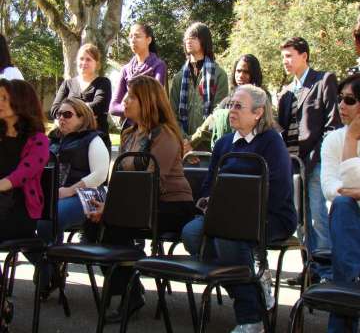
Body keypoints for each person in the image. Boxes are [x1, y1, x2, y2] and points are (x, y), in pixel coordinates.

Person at [182, 84, 297, 333]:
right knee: (192, 234)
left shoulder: (271, 143)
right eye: (230, 105)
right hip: (224, 217)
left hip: (271, 217)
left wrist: (241, 210)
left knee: (229, 236)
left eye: (237, 106)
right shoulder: (224, 144)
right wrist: (206, 201)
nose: (231, 111)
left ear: (257, 113)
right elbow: (208, 185)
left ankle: (250, 319)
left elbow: (279, 192)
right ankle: (255, 289)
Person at [90, 75, 195, 323]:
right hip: (137, 205)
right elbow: (120, 179)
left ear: (147, 102)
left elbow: (150, 183)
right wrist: (104, 204)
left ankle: (132, 287)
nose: (124, 101)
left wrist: (112, 208)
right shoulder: (129, 134)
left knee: (112, 224)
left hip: (172, 205)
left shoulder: (166, 135)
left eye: (131, 97)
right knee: (94, 224)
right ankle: (131, 286)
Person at [277, 37, 341, 284]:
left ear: (304, 55)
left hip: (316, 162)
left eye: (290, 55)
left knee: (318, 218)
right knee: (300, 220)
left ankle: (327, 273)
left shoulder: (323, 80)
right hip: (293, 165)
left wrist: (317, 157)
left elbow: (332, 124)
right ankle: (310, 271)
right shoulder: (285, 92)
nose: (286, 61)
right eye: (283, 56)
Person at [36, 97, 109, 296]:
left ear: (82, 117)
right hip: (52, 196)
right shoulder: (52, 140)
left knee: (50, 217)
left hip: (86, 196)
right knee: (26, 222)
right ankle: (53, 268)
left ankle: (48, 272)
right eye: (58, 114)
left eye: (67, 114)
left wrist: (70, 190)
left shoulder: (93, 139)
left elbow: (100, 175)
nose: (61, 118)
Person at [0, 79, 49, 331]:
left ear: (21, 102)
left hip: (19, 212)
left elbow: (25, 172)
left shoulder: (38, 140)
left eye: (4, 98)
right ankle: (1, 304)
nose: (0, 103)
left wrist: (3, 184)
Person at [321, 74, 360, 333]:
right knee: (344, 205)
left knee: (343, 267)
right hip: (348, 223)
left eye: (350, 100)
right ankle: (355, 287)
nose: (341, 106)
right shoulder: (334, 139)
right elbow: (332, 189)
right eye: (339, 99)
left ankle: (351, 290)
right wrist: (350, 139)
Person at [170, 22, 228, 153]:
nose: (189, 40)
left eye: (194, 37)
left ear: (204, 41)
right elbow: (171, 113)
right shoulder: (178, 77)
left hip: (208, 146)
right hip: (181, 147)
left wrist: (194, 141)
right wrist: (184, 140)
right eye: (187, 38)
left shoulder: (219, 75)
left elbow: (217, 114)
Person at [188, 54, 265, 152]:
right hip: (229, 154)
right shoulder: (228, 100)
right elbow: (210, 122)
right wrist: (191, 142)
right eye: (238, 71)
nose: (240, 76)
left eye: (246, 72)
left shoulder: (262, 98)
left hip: (254, 152)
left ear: (254, 74)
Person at [50, 43, 112, 150]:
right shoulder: (67, 84)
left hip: (96, 140)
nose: (84, 62)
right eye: (81, 59)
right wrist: (86, 111)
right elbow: (55, 109)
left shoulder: (103, 83)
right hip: (69, 143)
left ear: (96, 63)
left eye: (88, 59)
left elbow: (99, 106)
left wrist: (69, 113)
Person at [109, 23, 167, 127]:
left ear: (148, 40)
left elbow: (154, 102)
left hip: (150, 127)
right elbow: (113, 107)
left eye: (137, 36)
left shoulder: (158, 66)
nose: (133, 40)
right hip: (128, 129)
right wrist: (133, 110)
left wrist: (129, 108)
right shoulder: (125, 70)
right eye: (130, 36)